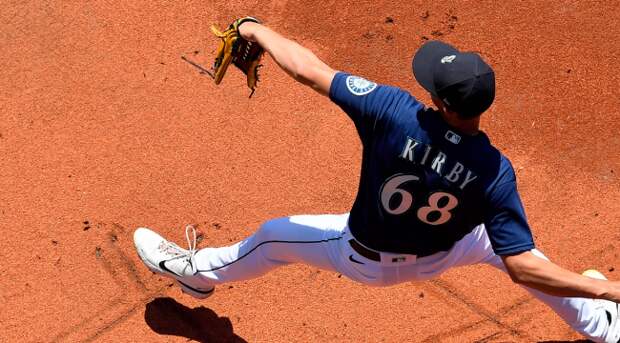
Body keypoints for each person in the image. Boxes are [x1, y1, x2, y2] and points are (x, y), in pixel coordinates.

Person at [133, 19, 620, 342]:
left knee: (272, 237)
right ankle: (602, 321)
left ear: (444, 103)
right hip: (446, 250)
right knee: (525, 256)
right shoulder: (495, 172)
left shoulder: (392, 111)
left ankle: (196, 274)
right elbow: (522, 270)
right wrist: (607, 288)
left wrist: (255, 29)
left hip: (362, 257)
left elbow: (308, 68)